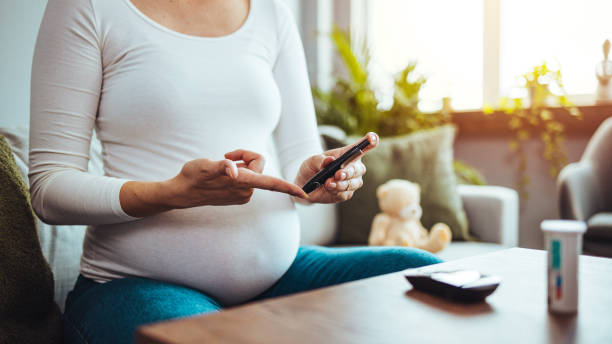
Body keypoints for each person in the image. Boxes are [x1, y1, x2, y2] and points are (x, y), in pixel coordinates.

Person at [29, 0, 442, 342]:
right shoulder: (87, 8)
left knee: (430, 279)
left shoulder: (271, 13)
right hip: (132, 285)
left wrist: (321, 177)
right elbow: (49, 189)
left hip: (280, 277)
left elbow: (301, 153)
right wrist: (173, 192)